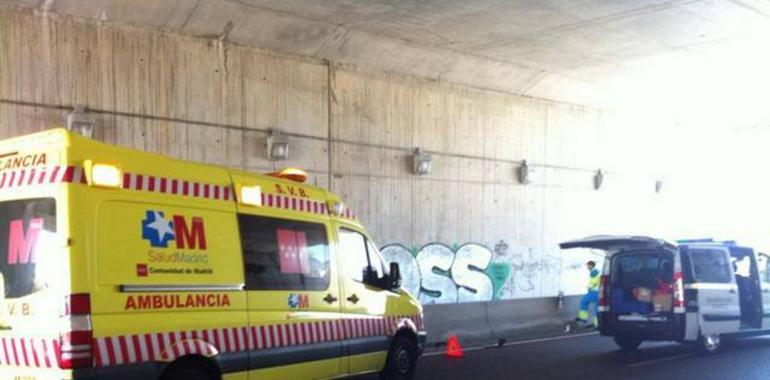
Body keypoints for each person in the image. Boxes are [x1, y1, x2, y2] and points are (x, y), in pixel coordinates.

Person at [576, 260, 600, 328]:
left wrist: (590, 287)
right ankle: (597, 324)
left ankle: (583, 318)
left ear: (591, 265)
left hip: (594, 292)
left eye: (588, 265)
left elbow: (594, 281)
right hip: (598, 292)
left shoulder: (594, 272)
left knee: (584, 301)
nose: (587, 267)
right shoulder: (596, 271)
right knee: (597, 308)